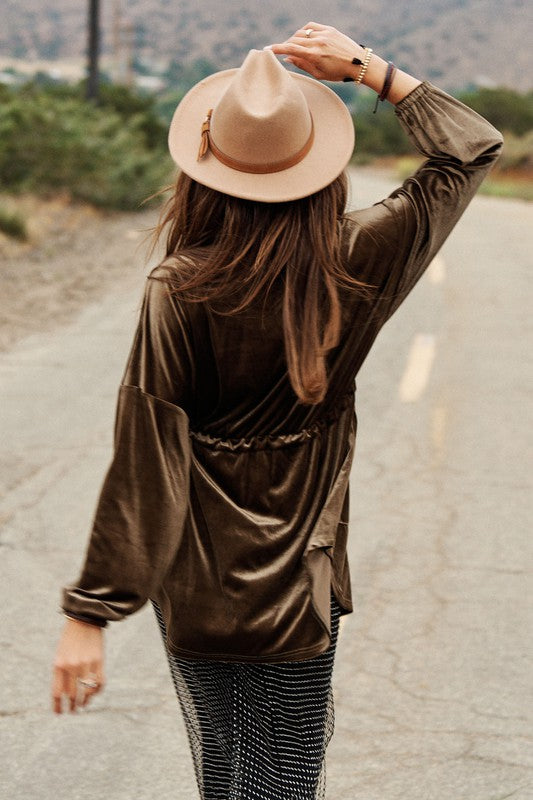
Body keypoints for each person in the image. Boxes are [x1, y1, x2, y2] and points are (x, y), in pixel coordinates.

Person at [51, 22, 502, 800]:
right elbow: (470, 149)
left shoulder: (178, 288)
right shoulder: (361, 256)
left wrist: (92, 611)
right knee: (283, 781)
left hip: (196, 590)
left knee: (225, 772)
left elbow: (147, 457)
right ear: (317, 167)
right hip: (300, 588)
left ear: (203, 173)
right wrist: (369, 70)